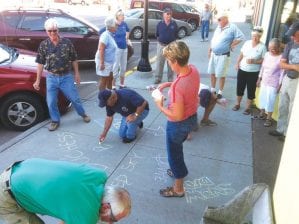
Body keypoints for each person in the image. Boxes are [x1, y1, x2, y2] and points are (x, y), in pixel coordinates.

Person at [0, 158, 131, 224]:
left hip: (22, 169)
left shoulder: (98, 175)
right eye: (113, 219)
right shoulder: (86, 215)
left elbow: (71, 213)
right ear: (106, 207)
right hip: (7, 194)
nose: (110, 222)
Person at [153, 41, 200, 197]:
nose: (168, 63)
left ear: (174, 62)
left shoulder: (178, 87)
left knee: (174, 154)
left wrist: (160, 105)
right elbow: (186, 84)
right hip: (192, 118)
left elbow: (177, 116)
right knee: (178, 148)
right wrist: (170, 83)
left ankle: (178, 188)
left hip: (178, 124)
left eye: (168, 60)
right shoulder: (193, 70)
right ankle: (176, 171)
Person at [33, 18, 90, 132]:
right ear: (46, 31)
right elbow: (40, 63)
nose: (52, 33)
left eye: (54, 30)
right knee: (51, 102)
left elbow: (74, 59)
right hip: (51, 77)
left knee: (74, 98)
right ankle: (55, 121)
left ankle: (82, 114)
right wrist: (37, 80)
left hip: (66, 77)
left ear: (58, 30)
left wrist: (77, 74)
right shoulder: (43, 45)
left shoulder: (67, 43)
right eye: (50, 31)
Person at [269, 21, 299, 141]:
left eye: (294, 34)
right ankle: (280, 129)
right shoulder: (290, 44)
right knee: (283, 105)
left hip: (297, 81)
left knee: (293, 108)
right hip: (288, 78)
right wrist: (295, 67)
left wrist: (289, 65)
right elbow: (281, 64)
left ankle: (288, 134)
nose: (291, 36)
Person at [208, 11, 244, 99]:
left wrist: (233, 43)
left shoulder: (232, 27)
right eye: (217, 19)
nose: (218, 21)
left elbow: (241, 37)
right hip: (214, 54)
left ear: (225, 19)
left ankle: (220, 91)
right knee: (212, 72)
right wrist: (210, 49)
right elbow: (214, 39)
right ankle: (213, 90)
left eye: (219, 19)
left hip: (223, 55)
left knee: (221, 74)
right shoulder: (219, 26)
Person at [232, 26, 266, 115]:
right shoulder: (247, 43)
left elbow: (264, 60)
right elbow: (241, 54)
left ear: (260, 37)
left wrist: (254, 61)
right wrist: (237, 63)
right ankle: (237, 104)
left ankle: (247, 108)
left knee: (251, 90)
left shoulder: (262, 47)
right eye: (253, 36)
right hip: (242, 69)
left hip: (254, 72)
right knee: (240, 87)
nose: (255, 38)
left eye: (257, 36)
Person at [256, 38, 283, 127]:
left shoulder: (281, 57)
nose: (271, 50)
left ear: (279, 48)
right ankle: (262, 113)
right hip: (264, 80)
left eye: (274, 48)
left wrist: (280, 84)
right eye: (270, 48)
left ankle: (269, 118)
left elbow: (282, 72)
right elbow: (263, 67)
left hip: (274, 82)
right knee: (262, 97)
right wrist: (259, 78)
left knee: (270, 100)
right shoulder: (267, 54)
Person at [154, 8, 178, 84]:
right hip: (161, 45)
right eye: (167, 14)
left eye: (170, 14)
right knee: (159, 62)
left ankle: (170, 79)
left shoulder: (174, 23)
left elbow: (176, 34)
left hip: (171, 46)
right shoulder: (160, 24)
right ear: (163, 15)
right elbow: (157, 34)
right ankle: (158, 78)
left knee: (171, 62)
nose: (169, 15)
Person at [95, 16, 117, 90]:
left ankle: (109, 94)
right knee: (104, 80)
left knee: (110, 78)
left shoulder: (110, 35)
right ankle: (102, 98)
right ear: (111, 26)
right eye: (115, 25)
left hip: (109, 62)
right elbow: (101, 49)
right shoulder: (105, 35)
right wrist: (102, 63)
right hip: (105, 61)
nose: (117, 26)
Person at [112, 9, 130, 89]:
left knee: (123, 67)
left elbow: (128, 30)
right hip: (117, 49)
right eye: (121, 15)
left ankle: (122, 83)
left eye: (123, 15)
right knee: (115, 67)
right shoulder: (114, 25)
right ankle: (113, 84)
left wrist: (127, 37)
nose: (122, 16)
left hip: (124, 48)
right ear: (117, 16)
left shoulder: (124, 24)